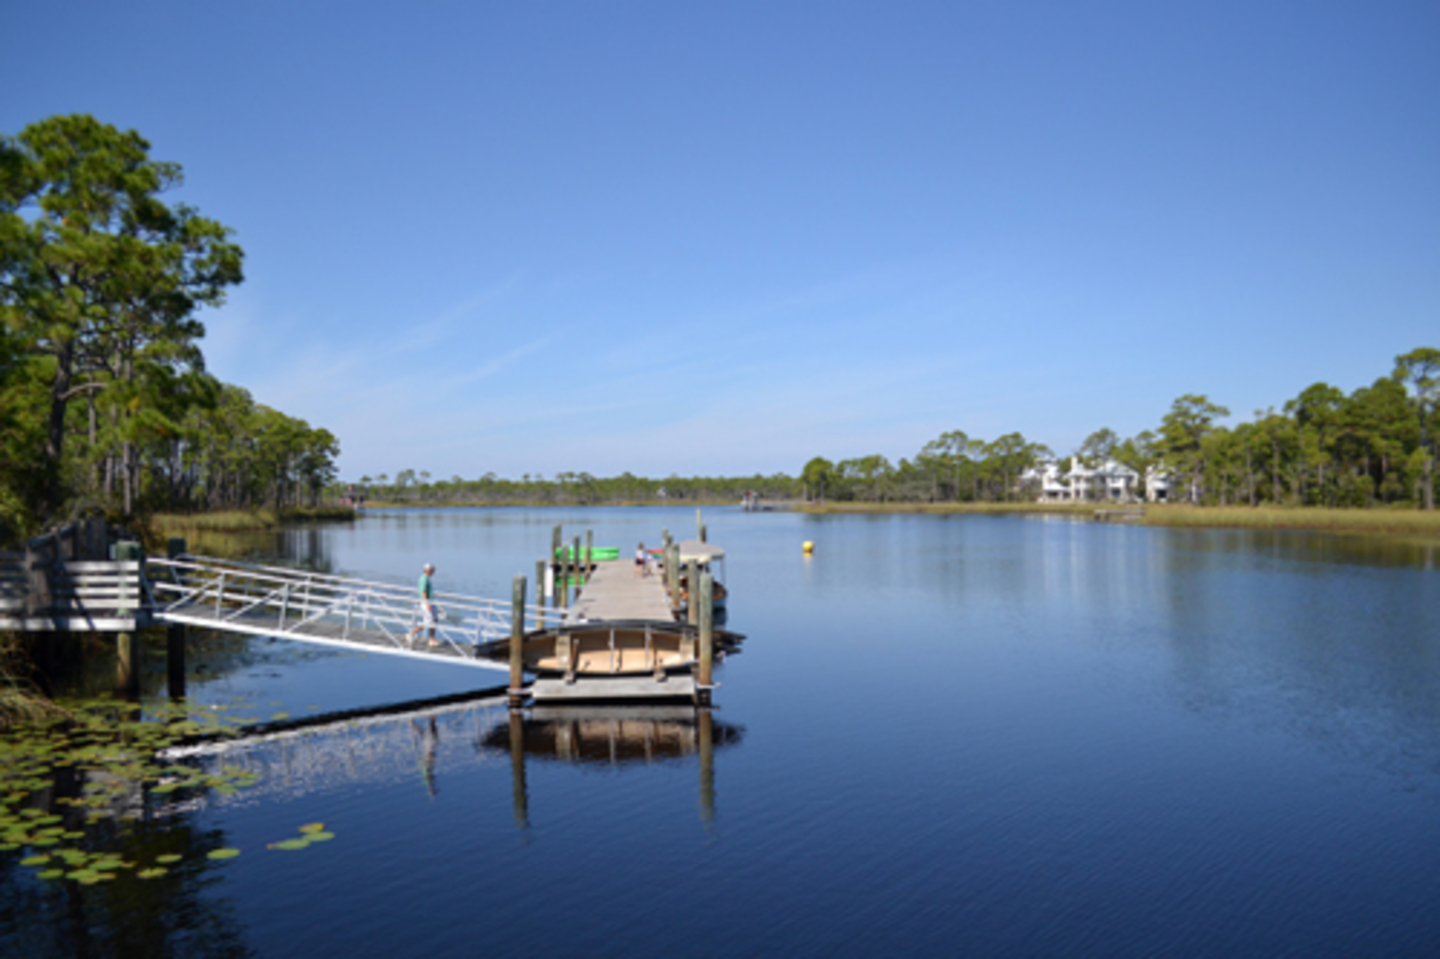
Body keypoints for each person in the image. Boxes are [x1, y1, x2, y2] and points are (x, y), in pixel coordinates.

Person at [412, 562, 438, 646]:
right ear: (428, 570)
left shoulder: (426, 578)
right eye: (432, 570)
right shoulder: (424, 578)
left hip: (430, 602)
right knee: (428, 622)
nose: (433, 572)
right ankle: (411, 634)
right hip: (426, 602)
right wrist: (427, 603)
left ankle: (432, 638)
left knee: (434, 620)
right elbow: (423, 591)